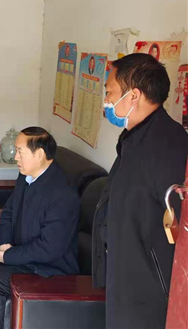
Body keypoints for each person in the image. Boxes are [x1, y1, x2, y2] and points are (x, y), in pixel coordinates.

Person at [95, 53, 188, 329]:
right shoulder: (135, 138)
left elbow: (177, 221)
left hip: (148, 287)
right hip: (126, 274)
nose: (106, 101)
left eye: (109, 92)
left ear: (133, 95)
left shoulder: (169, 145)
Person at [0, 127, 80, 329]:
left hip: (47, 268)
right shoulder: (27, 175)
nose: (15, 157)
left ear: (39, 154)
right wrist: (4, 244)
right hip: (19, 247)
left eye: (20, 151)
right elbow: (8, 211)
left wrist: (9, 256)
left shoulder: (62, 194)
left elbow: (50, 249)